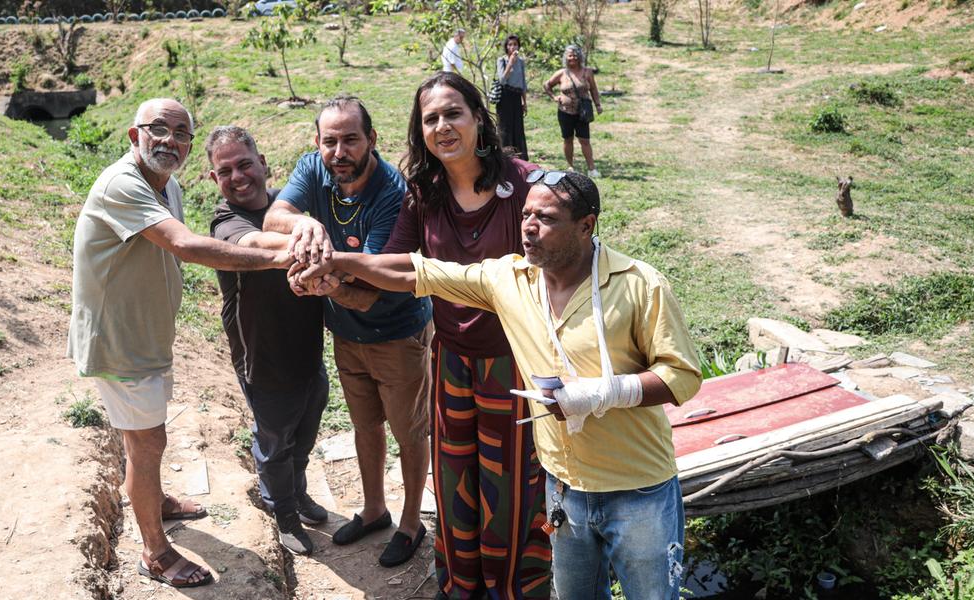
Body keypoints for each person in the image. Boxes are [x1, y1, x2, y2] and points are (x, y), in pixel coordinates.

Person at [290, 170, 703, 600]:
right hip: (564, 489)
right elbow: (414, 272)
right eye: (525, 214)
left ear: (586, 225)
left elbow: (683, 376)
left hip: (636, 491)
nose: (528, 226)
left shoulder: (639, 284)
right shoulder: (510, 279)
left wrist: (603, 393)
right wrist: (335, 261)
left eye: (545, 217)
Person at [67, 99, 292, 589]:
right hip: (120, 339)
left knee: (144, 435)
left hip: (146, 334)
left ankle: (158, 500)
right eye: (158, 129)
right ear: (134, 135)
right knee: (148, 441)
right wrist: (280, 260)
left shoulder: (168, 186)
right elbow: (187, 247)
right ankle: (155, 549)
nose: (170, 139)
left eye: (182, 133)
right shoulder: (122, 184)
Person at [387, 71, 550, 600]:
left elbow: (569, 258)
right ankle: (461, 586)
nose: (443, 126)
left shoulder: (526, 185)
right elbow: (394, 265)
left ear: (479, 117)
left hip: (517, 364)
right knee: (455, 477)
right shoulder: (423, 194)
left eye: (453, 113)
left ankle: (515, 589)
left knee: (510, 486)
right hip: (453, 360)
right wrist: (333, 271)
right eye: (430, 119)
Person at [262, 95, 434, 568]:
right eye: (329, 141)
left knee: (409, 430)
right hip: (347, 333)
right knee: (364, 425)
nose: (339, 152)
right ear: (318, 143)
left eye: (350, 140)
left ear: (372, 140)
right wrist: (308, 224)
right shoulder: (312, 168)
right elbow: (274, 217)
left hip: (396, 332)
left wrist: (315, 277)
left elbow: (369, 289)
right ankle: (375, 509)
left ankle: (411, 523)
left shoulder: (392, 194)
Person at [205, 126, 335, 557]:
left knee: (307, 429)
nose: (238, 176)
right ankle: (283, 514)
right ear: (213, 180)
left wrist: (305, 223)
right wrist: (309, 235)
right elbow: (256, 243)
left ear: (264, 164)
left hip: (307, 351)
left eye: (244, 164)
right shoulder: (226, 222)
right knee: (274, 442)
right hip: (262, 358)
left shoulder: (289, 206)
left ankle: (296, 493)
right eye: (225, 171)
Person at [543, 45, 603, 178]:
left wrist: (598, 105)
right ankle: (570, 166)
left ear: (580, 57)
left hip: (582, 112)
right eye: (570, 55)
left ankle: (591, 168)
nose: (573, 58)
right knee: (567, 139)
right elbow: (547, 85)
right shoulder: (561, 73)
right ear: (566, 58)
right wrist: (554, 97)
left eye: (575, 55)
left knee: (585, 140)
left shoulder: (587, 72)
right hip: (565, 112)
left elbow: (593, 89)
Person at [495, 34, 528, 160]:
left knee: (517, 127)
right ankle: (504, 155)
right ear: (506, 47)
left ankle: (519, 156)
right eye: (510, 44)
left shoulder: (521, 62)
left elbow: (523, 83)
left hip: (516, 96)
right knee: (505, 126)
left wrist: (524, 102)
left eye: (515, 44)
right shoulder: (501, 60)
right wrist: (510, 63)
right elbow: (502, 80)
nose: (513, 47)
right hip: (505, 96)